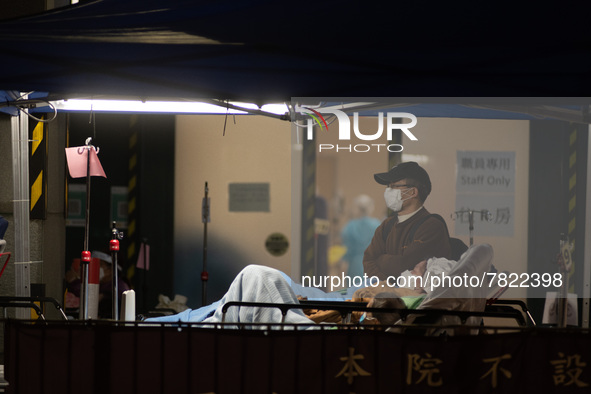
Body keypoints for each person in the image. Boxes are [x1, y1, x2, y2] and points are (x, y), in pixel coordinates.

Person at [363, 161, 452, 280]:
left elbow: (404, 266)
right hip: (386, 293)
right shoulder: (387, 225)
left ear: (413, 192)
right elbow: (368, 261)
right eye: (388, 186)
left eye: (394, 186)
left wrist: (381, 259)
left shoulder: (432, 226)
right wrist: (387, 287)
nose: (388, 191)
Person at [341, 194, 381, 278]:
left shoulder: (350, 226)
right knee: (371, 289)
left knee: (354, 290)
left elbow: (347, 251)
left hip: (354, 267)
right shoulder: (377, 225)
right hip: (373, 266)